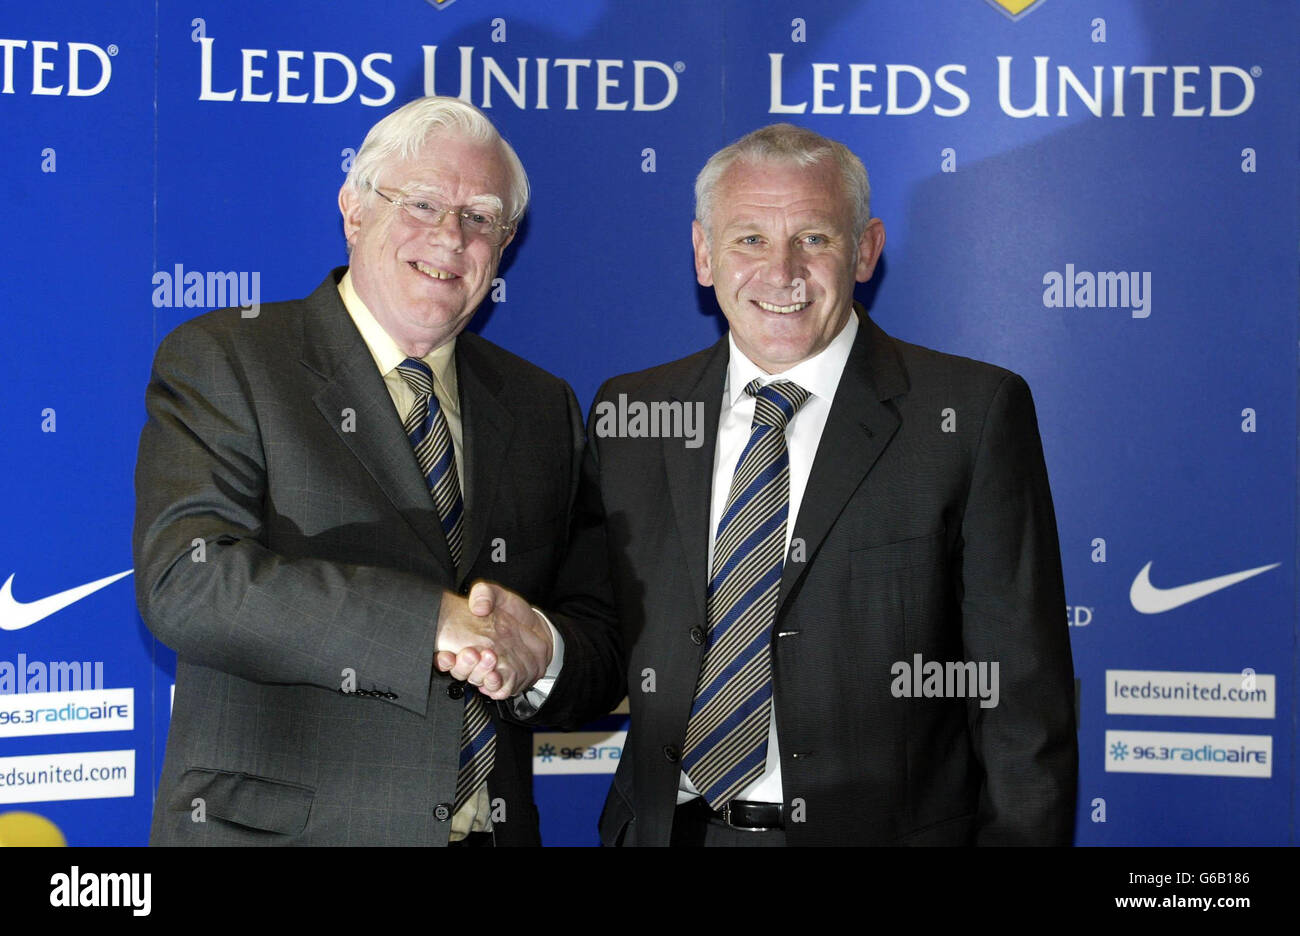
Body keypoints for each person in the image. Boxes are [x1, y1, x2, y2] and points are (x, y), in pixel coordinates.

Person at [456, 123, 1078, 845]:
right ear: (703, 254)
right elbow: (605, 638)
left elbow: (1021, 702)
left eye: (813, 238)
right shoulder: (634, 415)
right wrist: (543, 653)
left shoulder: (970, 413)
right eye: (749, 239)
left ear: (866, 249)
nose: (781, 272)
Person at [133, 96, 570, 846]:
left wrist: (546, 652)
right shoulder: (229, 359)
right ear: (354, 209)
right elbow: (189, 583)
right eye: (423, 202)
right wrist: (433, 620)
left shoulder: (541, 405)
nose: (449, 236)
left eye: (480, 217)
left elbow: (590, 620)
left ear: (503, 245)